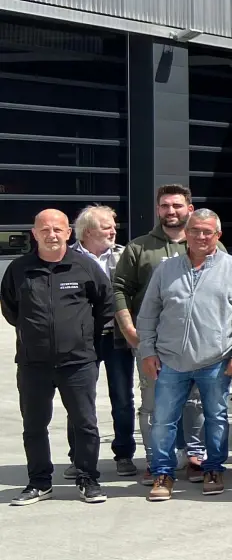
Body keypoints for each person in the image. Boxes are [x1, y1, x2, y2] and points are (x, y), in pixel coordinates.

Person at [136, 209, 232, 501]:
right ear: (186, 234)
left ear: (218, 235)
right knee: (164, 420)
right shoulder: (166, 270)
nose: (201, 236)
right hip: (170, 361)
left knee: (216, 418)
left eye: (207, 231)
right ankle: (163, 474)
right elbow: (148, 315)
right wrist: (147, 350)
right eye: (195, 231)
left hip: (216, 361)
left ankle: (214, 468)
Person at [3, 209, 114, 505]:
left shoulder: (85, 267)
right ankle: (39, 482)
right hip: (33, 363)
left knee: (85, 423)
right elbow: (11, 308)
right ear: (34, 233)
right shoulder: (18, 269)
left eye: (57, 229)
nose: (51, 235)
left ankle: (87, 478)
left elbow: (105, 305)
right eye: (45, 230)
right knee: (34, 425)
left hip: (78, 362)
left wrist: (84, 338)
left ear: (68, 233)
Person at [114, 185, 206, 484]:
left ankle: (195, 456)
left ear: (189, 209)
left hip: (196, 343)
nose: (171, 211)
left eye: (177, 206)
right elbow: (119, 290)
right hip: (150, 342)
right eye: (165, 205)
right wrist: (129, 330)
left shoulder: (207, 245)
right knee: (154, 404)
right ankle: (157, 460)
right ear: (158, 209)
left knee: (195, 402)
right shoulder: (139, 248)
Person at [72, 204, 136, 478]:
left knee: (122, 397)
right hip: (80, 340)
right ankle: (79, 458)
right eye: (105, 226)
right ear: (86, 231)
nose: (113, 230)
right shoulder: (67, 257)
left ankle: (123, 454)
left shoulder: (124, 255)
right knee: (78, 398)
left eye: (114, 226)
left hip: (118, 338)